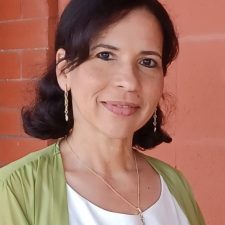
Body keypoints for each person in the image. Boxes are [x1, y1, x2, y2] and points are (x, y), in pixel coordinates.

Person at [0, 0, 206, 225]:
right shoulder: (15, 191)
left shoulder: (175, 185)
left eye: (147, 62)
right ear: (64, 70)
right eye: (106, 55)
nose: (129, 82)